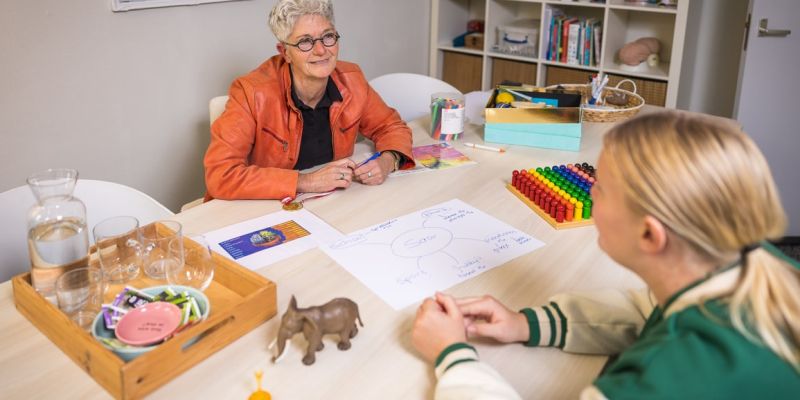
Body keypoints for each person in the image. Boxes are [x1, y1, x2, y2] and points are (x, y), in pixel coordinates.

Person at [412, 111, 800, 399]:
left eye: (601, 188)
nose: (591, 191)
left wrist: (452, 355)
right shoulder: (754, 261)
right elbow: (650, 311)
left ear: (649, 234)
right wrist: (527, 324)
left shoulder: (666, 378)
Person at [204, 0, 414, 201]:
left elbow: (391, 126)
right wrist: (306, 181)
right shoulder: (250, 92)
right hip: (264, 207)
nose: (321, 50)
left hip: (330, 201)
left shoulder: (352, 79)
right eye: (305, 41)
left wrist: (388, 161)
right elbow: (221, 174)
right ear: (285, 52)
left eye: (328, 36)